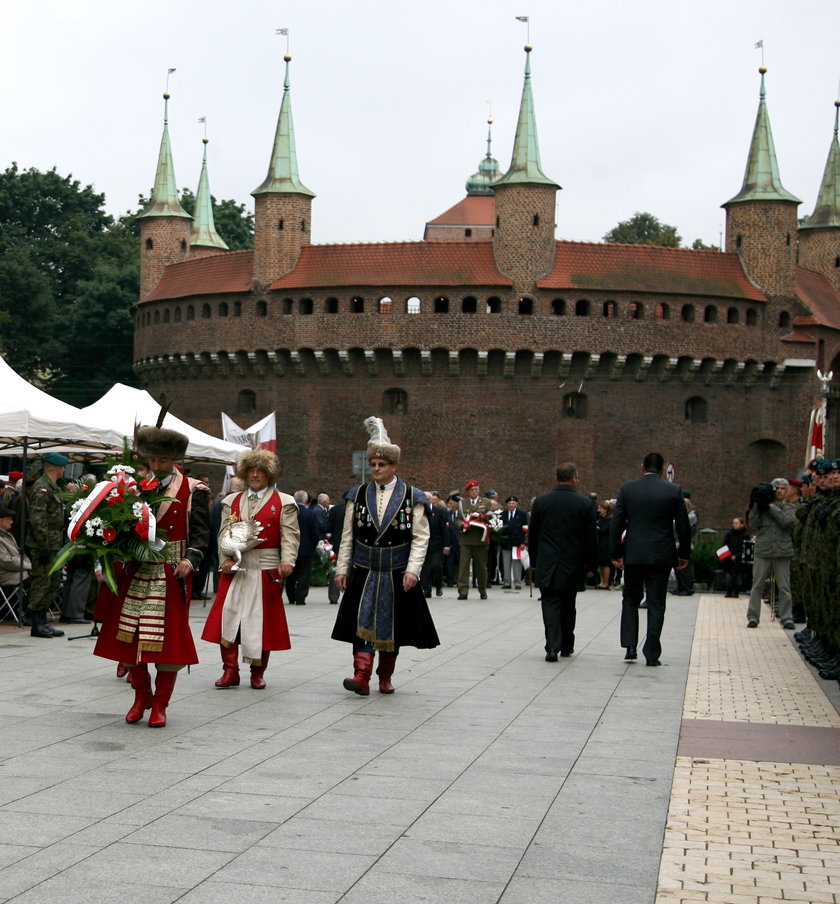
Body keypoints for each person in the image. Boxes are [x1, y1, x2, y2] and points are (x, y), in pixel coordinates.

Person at [93, 425, 210, 727]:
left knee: (168, 641)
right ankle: (141, 695)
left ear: (173, 459)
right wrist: (107, 560)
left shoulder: (193, 489)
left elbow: (201, 535)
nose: (155, 467)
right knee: (128, 636)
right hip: (136, 569)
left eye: (161, 461)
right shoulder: (135, 488)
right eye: (152, 460)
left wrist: (190, 559)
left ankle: (161, 704)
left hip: (171, 572)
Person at [331, 416, 439, 695]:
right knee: (360, 624)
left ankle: (384, 676)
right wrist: (341, 569)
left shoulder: (412, 496)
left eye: (382, 465)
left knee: (394, 627)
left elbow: (420, 537)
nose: (376, 469)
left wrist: (413, 570)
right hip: (364, 569)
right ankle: (361, 675)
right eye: (373, 464)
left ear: (394, 466)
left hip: (396, 570)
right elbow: (347, 536)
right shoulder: (358, 494)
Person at [202, 449, 299, 689]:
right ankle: (230, 670)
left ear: (270, 474)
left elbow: (290, 535)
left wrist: (288, 560)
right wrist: (224, 559)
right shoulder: (230, 501)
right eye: (251, 470)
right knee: (229, 620)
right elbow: (223, 533)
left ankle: (257, 673)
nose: (255, 475)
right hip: (235, 569)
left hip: (266, 569)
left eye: (261, 471)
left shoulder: (284, 502)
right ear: (245, 473)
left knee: (261, 623)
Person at [610, 452, 691, 666]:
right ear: (663, 469)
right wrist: (683, 554)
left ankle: (629, 646)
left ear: (642, 466)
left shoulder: (628, 489)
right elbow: (683, 525)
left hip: (634, 553)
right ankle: (652, 652)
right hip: (661, 553)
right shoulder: (673, 490)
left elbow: (617, 522)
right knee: (656, 602)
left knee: (630, 598)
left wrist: (616, 553)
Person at [529, 463, 598, 660]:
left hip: (548, 562)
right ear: (574, 478)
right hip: (573, 563)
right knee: (569, 605)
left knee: (550, 604)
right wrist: (592, 565)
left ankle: (552, 646)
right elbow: (590, 538)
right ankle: (567, 644)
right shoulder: (584, 503)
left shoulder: (541, 502)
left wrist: (534, 561)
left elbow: (533, 535)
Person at [26, 452, 69, 638]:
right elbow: (38, 519)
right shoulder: (42, 487)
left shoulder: (51, 486)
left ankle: (43, 620)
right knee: (42, 582)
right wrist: (43, 545)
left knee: (52, 582)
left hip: (53, 544)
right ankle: (36, 623)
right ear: (59, 468)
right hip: (43, 544)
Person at [745, 477, 796, 629]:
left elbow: (787, 521)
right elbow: (753, 525)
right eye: (777, 488)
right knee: (757, 585)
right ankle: (753, 617)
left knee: (784, 587)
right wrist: (755, 506)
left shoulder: (790, 507)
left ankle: (787, 618)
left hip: (782, 551)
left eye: (783, 489)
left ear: (787, 492)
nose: (779, 491)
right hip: (764, 550)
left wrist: (771, 507)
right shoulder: (762, 508)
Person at [456, 480, 492, 599]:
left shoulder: (486, 502)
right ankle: (463, 591)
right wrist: (462, 525)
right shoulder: (462, 503)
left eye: (476, 489)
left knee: (481, 567)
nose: (474, 492)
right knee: (463, 566)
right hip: (466, 539)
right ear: (468, 492)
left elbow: (491, 518)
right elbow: (458, 519)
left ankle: (482, 590)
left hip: (480, 540)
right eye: (472, 490)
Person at [285, 491, 320, 605]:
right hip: (306, 547)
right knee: (304, 573)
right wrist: (314, 545)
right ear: (306, 500)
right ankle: (301, 598)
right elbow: (314, 532)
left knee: (291, 573)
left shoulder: (289, 513)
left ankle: (291, 596)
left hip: (291, 547)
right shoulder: (311, 514)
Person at [419, 491, 447, 598]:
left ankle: (438, 586)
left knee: (436, 566)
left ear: (431, 500)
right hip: (423, 544)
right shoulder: (419, 511)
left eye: (428, 498)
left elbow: (444, 528)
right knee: (425, 568)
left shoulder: (439, 511)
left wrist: (446, 545)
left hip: (437, 544)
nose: (426, 500)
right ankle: (427, 589)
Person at [499, 496, 528, 590]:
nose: (511, 505)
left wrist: (523, 542)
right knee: (506, 563)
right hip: (506, 541)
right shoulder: (502, 514)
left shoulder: (522, 514)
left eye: (513, 503)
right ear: (507, 505)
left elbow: (525, 529)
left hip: (517, 542)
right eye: (510, 503)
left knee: (517, 563)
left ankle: (517, 582)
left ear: (516, 504)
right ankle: (506, 582)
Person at [722, 516, 749, 598]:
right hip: (729, 560)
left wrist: (737, 556)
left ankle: (736, 592)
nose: (734, 525)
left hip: (739, 561)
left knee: (739, 578)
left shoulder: (745, 536)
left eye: (736, 523)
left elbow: (745, 548)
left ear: (742, 525)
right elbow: (725, 545)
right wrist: (729, 555)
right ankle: (728, 592)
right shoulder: (729, 534)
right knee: (728, 577)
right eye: (733, 523)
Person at [595, 500, 613, 589]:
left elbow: (603, 530)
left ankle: (606, 582)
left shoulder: (608, 520)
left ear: (606, 510)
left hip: (605, 544)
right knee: (601, 564)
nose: (599, 510)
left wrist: (596, 527)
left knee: (605, 564)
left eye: (601, 508)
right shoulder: (600, 519)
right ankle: (602, 581)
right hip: (600, 544)